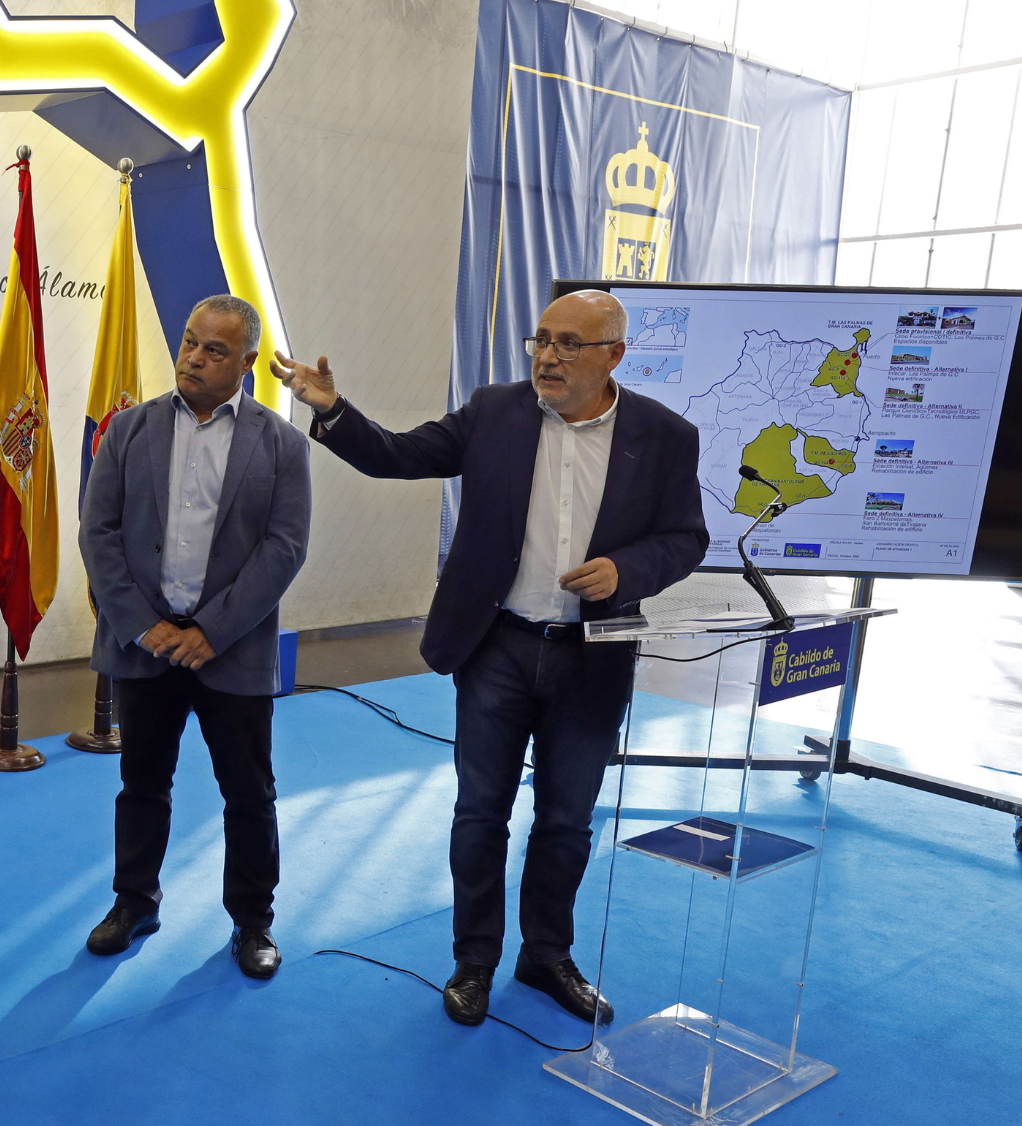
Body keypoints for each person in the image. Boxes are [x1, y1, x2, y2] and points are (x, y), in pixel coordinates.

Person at [268, 289, 707, 1024]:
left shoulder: (664, 435)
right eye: (541, 339)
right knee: (480, 814)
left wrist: (628, 572)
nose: (549, 356)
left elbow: (685, 537)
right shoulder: (495, 411)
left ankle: (546, 956)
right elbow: (400, 456)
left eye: (569, 343)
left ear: (615, 357)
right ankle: (474, 960)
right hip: (498, 645)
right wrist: (333, 411)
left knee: (567, 820)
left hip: (592, 656)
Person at [79, 294, 312, 979]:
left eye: (214, 350)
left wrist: (211, 630)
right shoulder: (128, 430)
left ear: (245, 363)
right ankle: (134, 901)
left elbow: (285, 547)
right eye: (189, 342)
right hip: (142, 644)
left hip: (230, 648)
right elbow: (100, 534)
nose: (194, 358)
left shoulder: (282, 445)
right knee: (141, 783)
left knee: (249, 791)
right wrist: (143, 624)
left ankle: (252, 922)